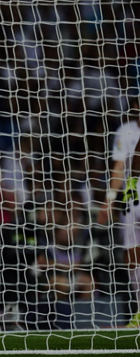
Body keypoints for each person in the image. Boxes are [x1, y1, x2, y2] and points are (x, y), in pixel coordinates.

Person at [98, 97, 140, 327]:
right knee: (131, 256)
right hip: (131, 195)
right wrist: (109, 199)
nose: (136, 106)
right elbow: (119, 167)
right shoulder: (125, 130)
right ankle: (139, 311)